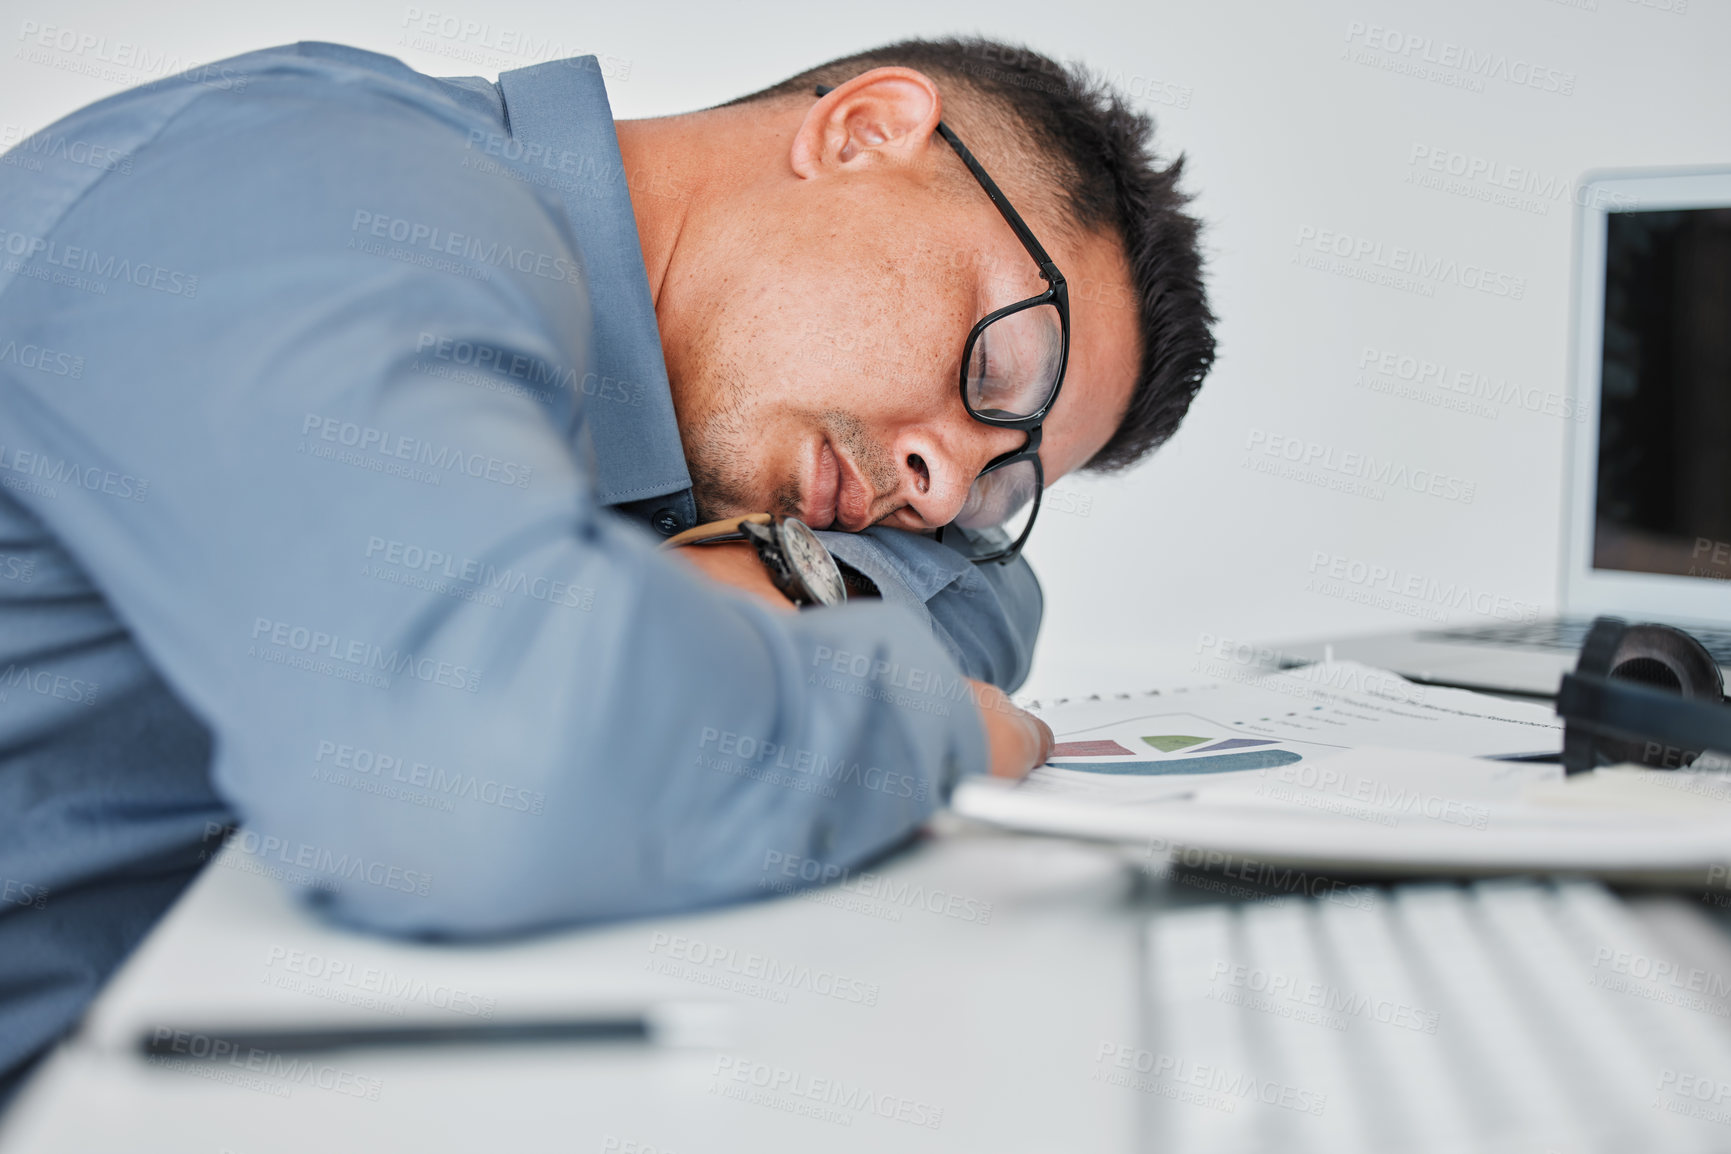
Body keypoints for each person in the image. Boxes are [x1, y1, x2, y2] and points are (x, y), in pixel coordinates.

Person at [0, 36, 1213, 1098]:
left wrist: (765, 602)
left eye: (1006, 480)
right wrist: (921, 728)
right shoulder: (327, 191)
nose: (938, 488)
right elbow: (472, 777)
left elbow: (984, 590)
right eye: (1000, 371)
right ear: (865, 132)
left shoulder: (664, 437)